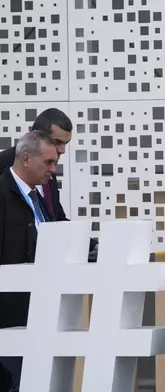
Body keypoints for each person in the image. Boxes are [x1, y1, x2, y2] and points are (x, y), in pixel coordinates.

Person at [0, 132, 60, 392]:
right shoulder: (2, 194)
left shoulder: (38, 198)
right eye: (48, 162)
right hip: (8, 314)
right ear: (26, 158)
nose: (53, 170)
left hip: (36, 308)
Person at [0, 108, 98, 253]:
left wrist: (92, 244)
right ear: (37, 136)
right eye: (57, 142)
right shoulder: (4, 167)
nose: (63, 150)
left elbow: (56, 220)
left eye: (66, 143)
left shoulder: (47, 171)